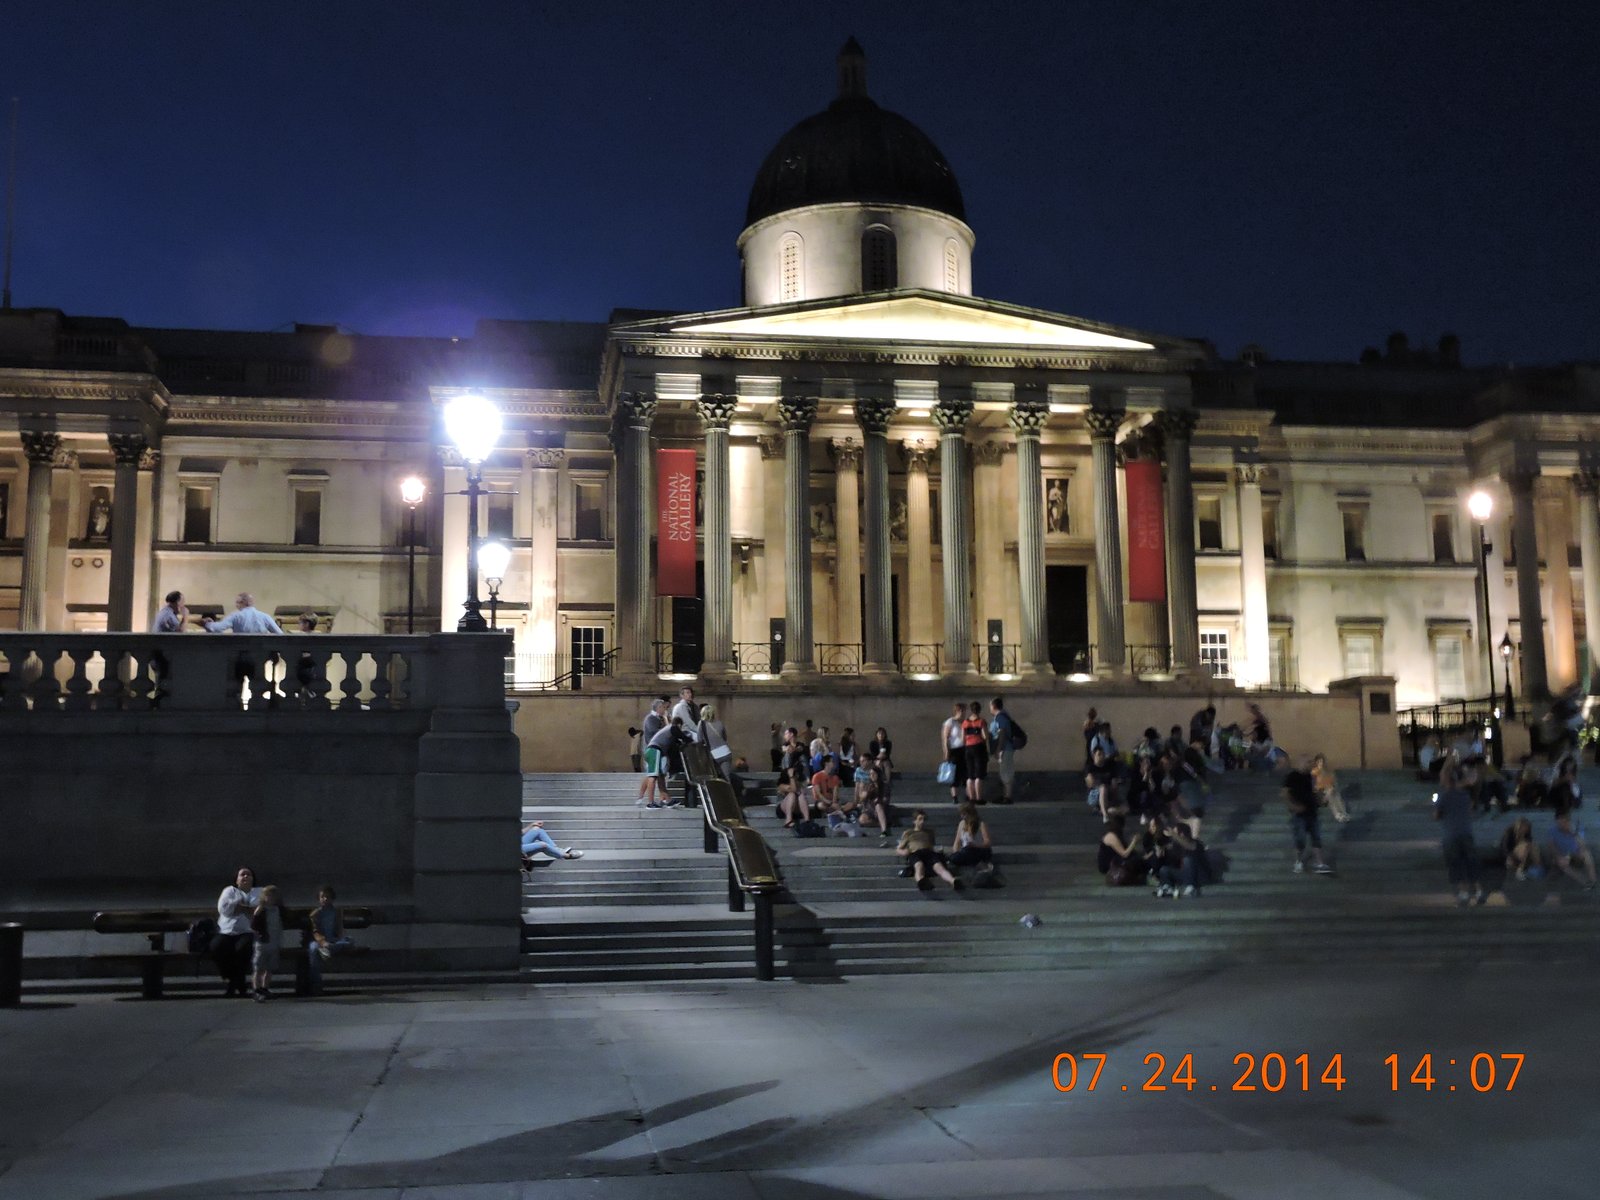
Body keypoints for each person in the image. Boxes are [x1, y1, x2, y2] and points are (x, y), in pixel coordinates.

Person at [1435, 763, 1484, 906]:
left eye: (1442, 777)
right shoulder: (1464, 795)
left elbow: (1437, 815)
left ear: (1446, 780)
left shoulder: (1443, 796)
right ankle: (1478, 890)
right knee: (1471, 862)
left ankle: (1464, 893)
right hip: (1466, 832)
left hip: (1451, 834)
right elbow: (1470, 810)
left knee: (1456, 863)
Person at [213, 866, 260, 997]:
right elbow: (223, 909)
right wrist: (246, 908)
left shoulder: (259, 892)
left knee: (242, 949)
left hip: (248, 931)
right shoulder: (229, 890)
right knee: (216, 947)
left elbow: (258, 911)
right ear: (237, 880)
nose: (245, 877)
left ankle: (233, 984)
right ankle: (236, 981)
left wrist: (238, 907)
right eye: (242, 875)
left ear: (253, 879)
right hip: (226, 931)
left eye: (248, 875)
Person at [1284, 761, 1333, 874]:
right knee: (1300, 839)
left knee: (1316, 838)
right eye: (1306, 763)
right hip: (1299, 814)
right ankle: (1298, 862)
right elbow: (1285, 793)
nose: (1309, 765)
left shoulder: (1311, 778)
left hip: (1312, 812)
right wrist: (1293, 806)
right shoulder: (1293, 776)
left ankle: (1319, 863)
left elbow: (1316, 795)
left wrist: (1324, 800)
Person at [305, 883, 355, 993]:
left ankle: (328, 949)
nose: (325, 899)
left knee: (349, 941)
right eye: (322, 897)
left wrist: (340, 937)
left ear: (332, 898)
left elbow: (339, 928)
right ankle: (316, 984)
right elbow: (315, 931)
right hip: (319, 941)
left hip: (333, 939)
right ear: (319, 899)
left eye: (328, 897)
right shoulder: (315, 914)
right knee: (313, 950)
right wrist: (323, 942)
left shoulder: (336, 912)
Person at [895, 810, 960, 892]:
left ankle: (953, 881)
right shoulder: (909, 833)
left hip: (928, 852)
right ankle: (921, 881)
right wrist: (903, 852)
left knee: (939, 866)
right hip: (915, 852)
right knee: (919, 865)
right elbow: (899, 848)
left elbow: (932, 846)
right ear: (914, 821)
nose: (922, 822)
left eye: (924, 819)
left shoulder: (929, 832)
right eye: (920, 819)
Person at [249, 884, 285, 1002]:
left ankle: (265, 988)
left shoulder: (278, 910)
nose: (271, 899)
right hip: (262, 943)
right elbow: (254, 925)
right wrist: (257, 914)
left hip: (274, 942)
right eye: (268, 896)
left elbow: (286, 919)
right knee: (258, 968)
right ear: (264, 897)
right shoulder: (260, 910)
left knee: (270, 968)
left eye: (273, 897)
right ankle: (256, 990)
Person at [644, 717, 689, 808]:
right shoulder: (672, 728)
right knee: (653, 777)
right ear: (679, 725)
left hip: (655, 751)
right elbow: (682, 737)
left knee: (661, 777)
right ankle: (650, 802)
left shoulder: (667, 731)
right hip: (654, 750)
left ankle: (666, 799)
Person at [1550, 811, 1597, 889]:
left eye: (1565, 820)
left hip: (1575, 855)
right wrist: (1558, 856)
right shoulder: (1552, 831)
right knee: (1562, 863)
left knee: (1586, 854)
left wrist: (1573, 833)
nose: (1563, 823)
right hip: (1562, 856)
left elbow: (1583, 846)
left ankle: (1593, 880)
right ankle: (1586, 882)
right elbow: (1551, 846)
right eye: (1560, 820)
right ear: (1556, 821)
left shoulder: (1576, 829)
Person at [203, 592, 286, 634]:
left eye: (237, 602)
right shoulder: (265, 617)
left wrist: (207, 623)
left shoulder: (236, 616)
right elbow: (280, 634)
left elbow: (217, 628)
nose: (236, 605)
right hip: (261, 653)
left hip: (240, 651)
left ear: (241, 603)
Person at [636, 699, 668, 806]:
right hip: (653, 749)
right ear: (658, 708)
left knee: (657, 774)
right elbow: (658, 733)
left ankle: (664, 797)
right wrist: (667, 722)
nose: (665, 709)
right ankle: (650, 801)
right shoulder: (651, 719)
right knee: (652, 775)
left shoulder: (659, 718)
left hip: (657, 749)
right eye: (663, 707)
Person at [1098, 814, 1144, 885]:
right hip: (1109, 864)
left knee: (1136, 856)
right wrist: (1134, 842)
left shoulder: (1117, 835)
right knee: (1135, 860)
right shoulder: (1111, 836)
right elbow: (1124, 854)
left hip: (1116, 859)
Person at [948, 802, 993, 870]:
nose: (962, 816)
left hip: (979, 849)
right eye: (961, 814)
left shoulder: (980, 824)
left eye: (964, 814)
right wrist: (956, 852)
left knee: (968, 851)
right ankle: (976, 864)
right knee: (955, 857)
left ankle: (975, 863)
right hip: (966, 851)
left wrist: (975, 845)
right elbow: (957, 842)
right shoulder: (962, 823)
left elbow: (987, 842)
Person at [989, 697, 1016, 804]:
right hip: (1005, 748)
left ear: (994, 706)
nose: (990, 708)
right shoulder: (1002, 716)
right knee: (1004, 771)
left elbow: (1002, 733)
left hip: (1005, 749)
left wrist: (998, 749)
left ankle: (1007, 796)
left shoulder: (1000, 718)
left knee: (1006, 772)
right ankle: (1005, 795)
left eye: (990, 706)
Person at [696, 703, 733, 781]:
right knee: (726, 778)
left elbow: (699, 740)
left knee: (714, 779)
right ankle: (728, 792)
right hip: (725, 752)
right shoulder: (720, 723)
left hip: (713, 755)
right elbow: (724, 738)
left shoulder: (701, 723)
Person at [961, 700, 989, 804]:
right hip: (979, 747)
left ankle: (971, 798)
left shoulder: (965, 723)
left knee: (970, 774)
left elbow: (962, 738)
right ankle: (979, 798)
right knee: (979, 774)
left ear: (971, 710)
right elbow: (985, 736)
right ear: (979, 710)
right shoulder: (981, 721)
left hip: (968, 748)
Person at [939, 703, 967, 804]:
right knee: (953, 773)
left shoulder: (965, 722)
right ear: (958, 711)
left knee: (963, 772)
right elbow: (945, 738)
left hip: (963, 749)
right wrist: (946, 751)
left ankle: (966, 795)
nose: (964, 713)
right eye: (963, 710)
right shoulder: (950, 722)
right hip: (954, 750)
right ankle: (954, 796)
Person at [1310, 753, 1350, 822]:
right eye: (1319, 762)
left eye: (1322, 762)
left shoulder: (1329, 773)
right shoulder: (1314, 772)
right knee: (1329, 792)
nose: (1321, 764)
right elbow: (1313, 786)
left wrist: (1332, 788)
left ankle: (1343, 813)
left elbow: (1335, 784)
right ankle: (1337, 815)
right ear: (1316, 762)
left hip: (1330, 793)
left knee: (1335, 795)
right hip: (1319, 796)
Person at [866, 726, 894, 803]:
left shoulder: (888, 743)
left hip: (885, 759)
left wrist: (882, 756)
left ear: (885, 735)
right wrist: (878, 757)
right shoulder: (873, 743)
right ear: (876, 735)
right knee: (879, 764)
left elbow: (887, 754)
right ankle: (879, 781)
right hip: (876, 759)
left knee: (886, 764)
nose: (881, 735)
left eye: (882, 734)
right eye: (879, 734)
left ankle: (887, 782)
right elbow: (873, 754)